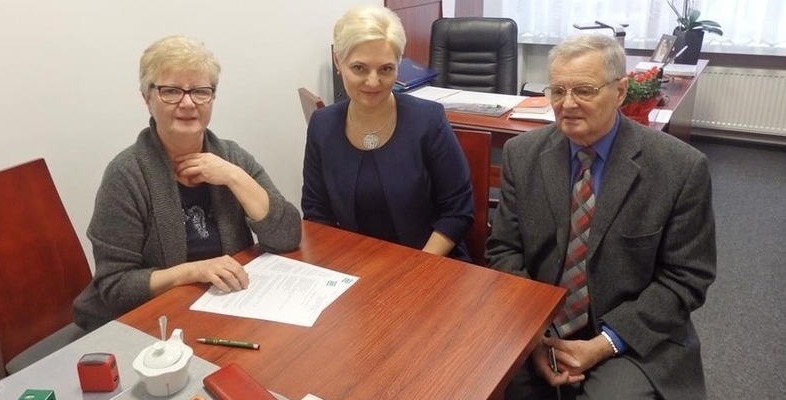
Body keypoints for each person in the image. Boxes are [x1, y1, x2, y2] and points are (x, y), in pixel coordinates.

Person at [487, 34, 716, 400]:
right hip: (539, 323)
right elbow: (504, 250)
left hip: (633, 334)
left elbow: (686, 278)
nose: (567, 104)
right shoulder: (522, 154)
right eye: (558, 91)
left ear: (620, 92)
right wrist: (535, 336)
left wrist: (603, 344)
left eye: (584, 90)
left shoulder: (679, 168)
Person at [73, 35, 302, 331]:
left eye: (200, 91)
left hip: (228, 306)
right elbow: (115, 287)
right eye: (171, 91)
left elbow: (287, 237)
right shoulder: (126, 175)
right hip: (155, 320)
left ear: (212, 98)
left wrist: (234, 176)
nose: (188, 103)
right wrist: (193, 272)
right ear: (147, 98)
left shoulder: (231, 156)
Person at [301, 5, 474, 261]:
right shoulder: (322, 125)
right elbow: (317, 212)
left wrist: (417, 267)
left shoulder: (428, 120)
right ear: (338, 61)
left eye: (386, 69)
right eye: (359, 68)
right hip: (354, 263)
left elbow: (457, 211)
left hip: (429, 262)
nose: (373, 82)